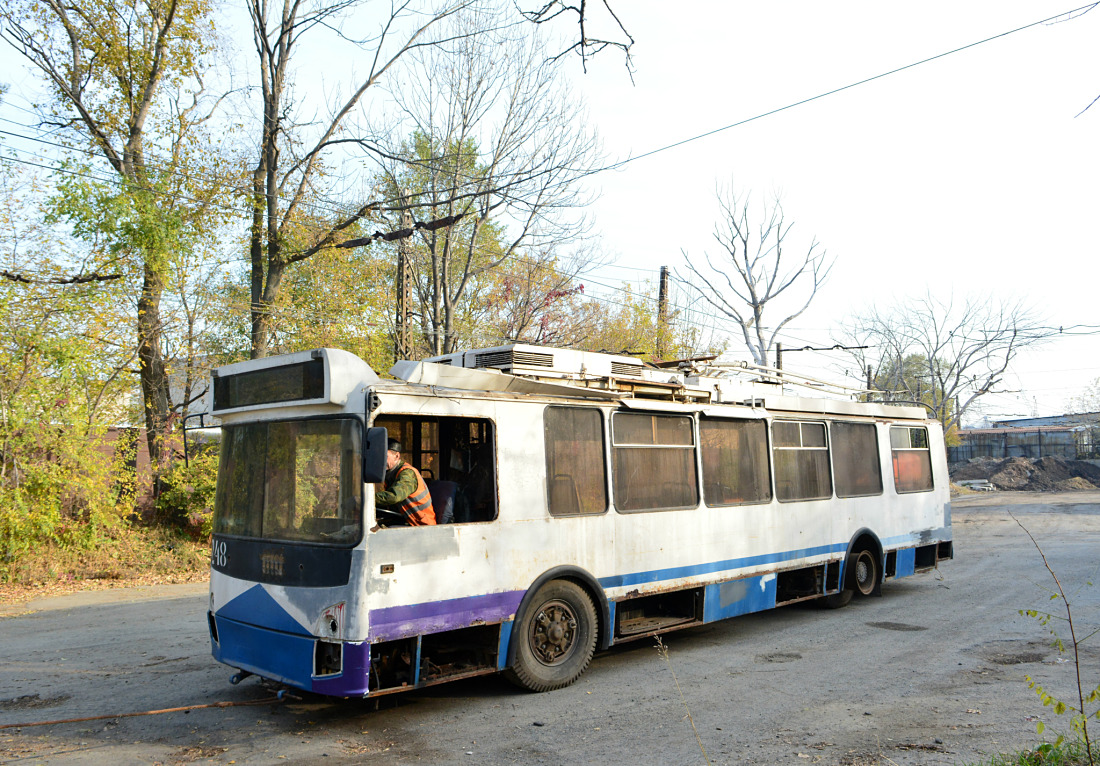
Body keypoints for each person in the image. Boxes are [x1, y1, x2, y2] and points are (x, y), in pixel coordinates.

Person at [375, 439, 436, 526]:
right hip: (405, 520)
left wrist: (366, 499)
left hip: (420, 525)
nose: (381, 461)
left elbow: (393, 497)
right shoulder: (391, 474)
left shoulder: (407, 474)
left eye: (385, 456)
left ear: (397, 456)